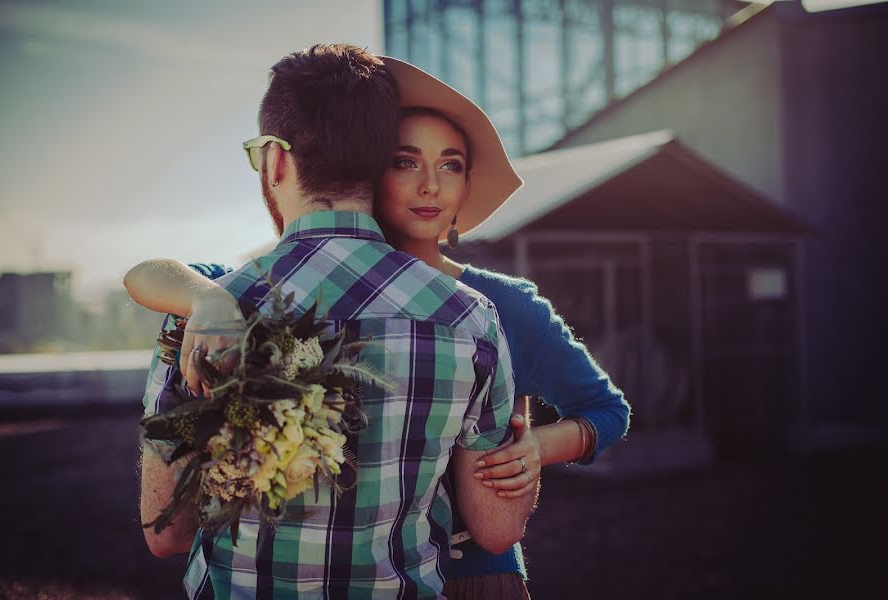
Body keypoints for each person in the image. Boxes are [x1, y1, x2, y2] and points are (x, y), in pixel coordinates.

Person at [127, 56, 630, 599]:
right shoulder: (472, 318)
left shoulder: (216, 308)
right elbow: (499, 525)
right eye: (407, 162)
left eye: (450, 165)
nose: (429, 187)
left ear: (274, 162)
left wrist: (534, 445)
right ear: (374, 169)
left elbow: (165, 533)